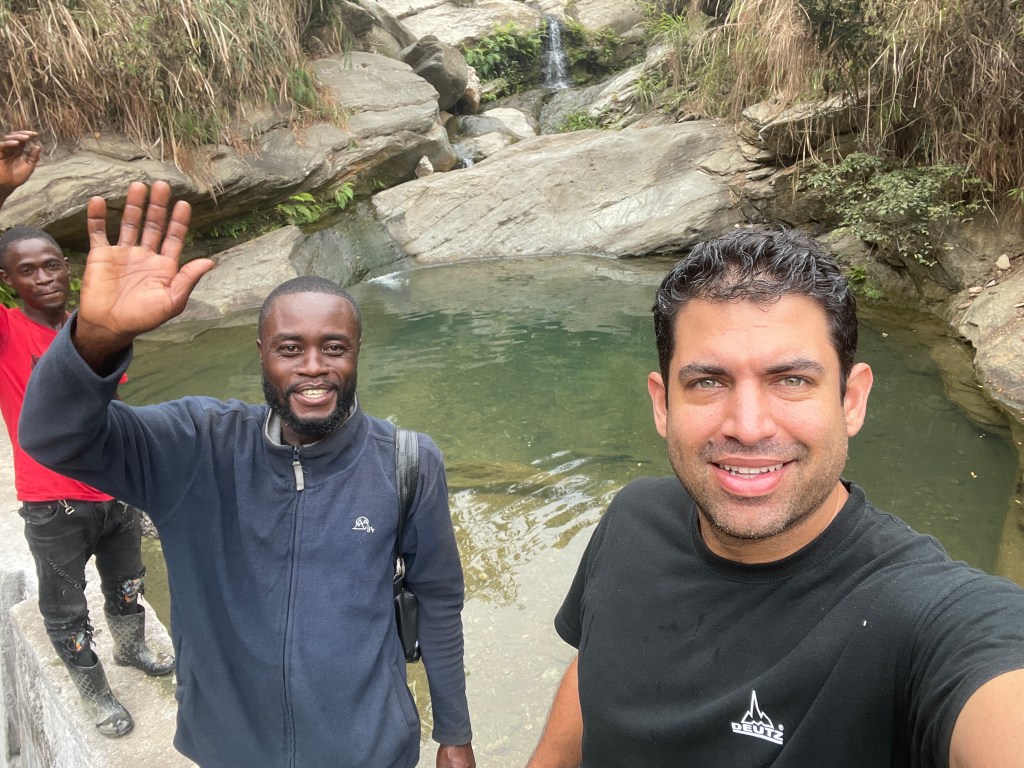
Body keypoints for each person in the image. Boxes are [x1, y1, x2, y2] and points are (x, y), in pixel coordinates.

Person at [526, 227, 1024, 768]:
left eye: (791, 380)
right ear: (663, 404)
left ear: (852, 401)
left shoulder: (926, 617)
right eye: (708, 382)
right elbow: (596, 664)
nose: (748, 426)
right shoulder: (633, 516)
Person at [19, 180, 476, 768]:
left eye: (334, 348)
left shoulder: (408, 461)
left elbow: (438, 600)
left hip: (369, 748)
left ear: (358, 350)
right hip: (230, 747)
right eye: (290, 349)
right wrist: (97, 340)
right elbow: (53, 438)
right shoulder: (192, 445)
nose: (314, 367)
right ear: (261, 351)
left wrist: (454, 734)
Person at [0, 132, 173, 740]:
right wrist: (1, 189)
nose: (44, 277)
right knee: (66, 605)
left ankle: (130, 646)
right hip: (53, 501)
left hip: (114, 485)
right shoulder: (8, 334)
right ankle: (95, 690)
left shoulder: (92, 327)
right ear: (9, 281)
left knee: (127, 582)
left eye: (52, 264)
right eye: (27, 270)